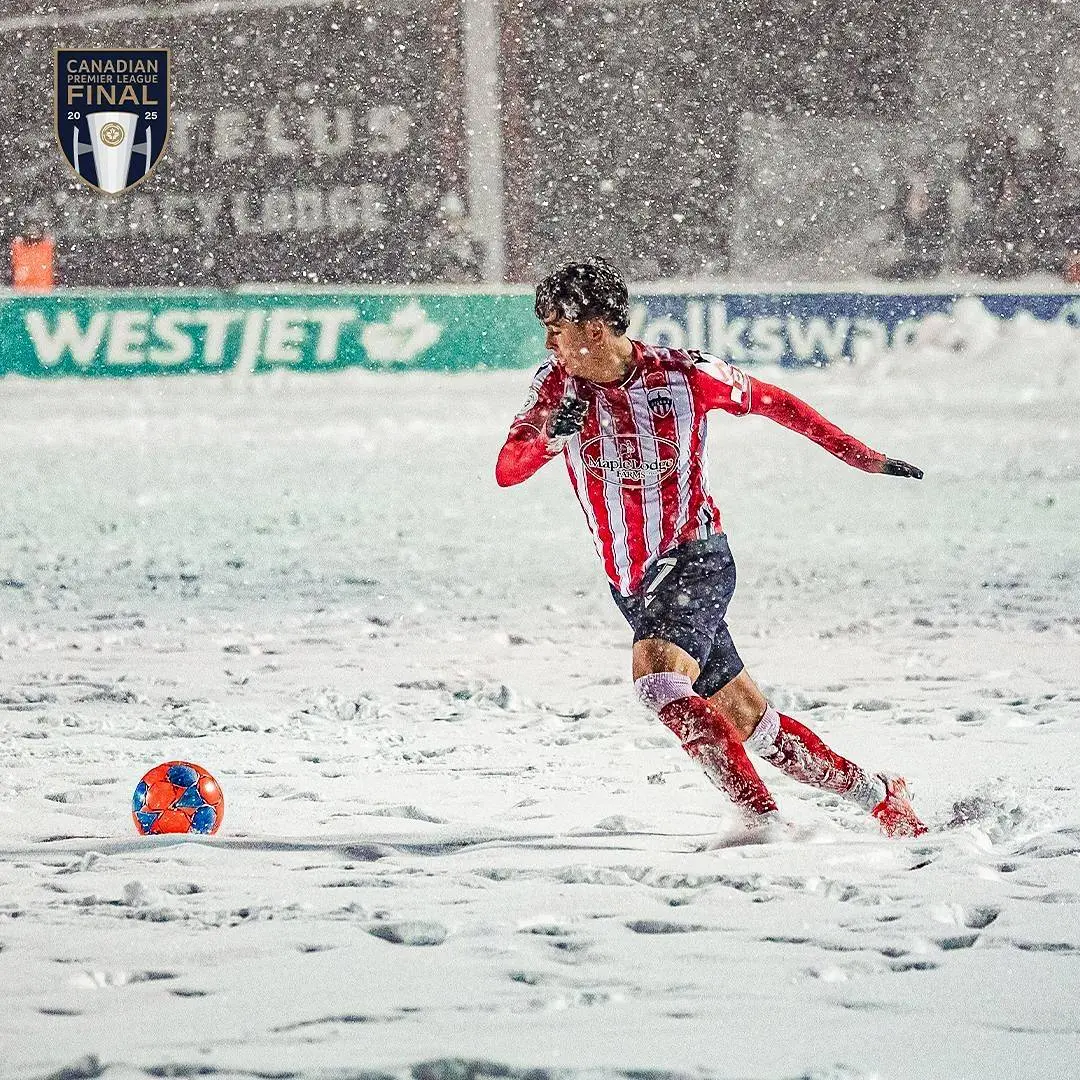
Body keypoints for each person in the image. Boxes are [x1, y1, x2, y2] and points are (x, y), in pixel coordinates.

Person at [496, 258, 927, 838]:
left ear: (593, 328)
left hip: (695, 558)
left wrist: (862, 457)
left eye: (556, 328)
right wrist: (551, 438)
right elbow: (508, 469)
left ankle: (761, 822)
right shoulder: (555, 388)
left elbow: (776, 402)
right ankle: (878, 794)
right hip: (633, 583)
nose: (549, 343)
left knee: (658, 680)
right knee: (754, 724)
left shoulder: (686, 374)